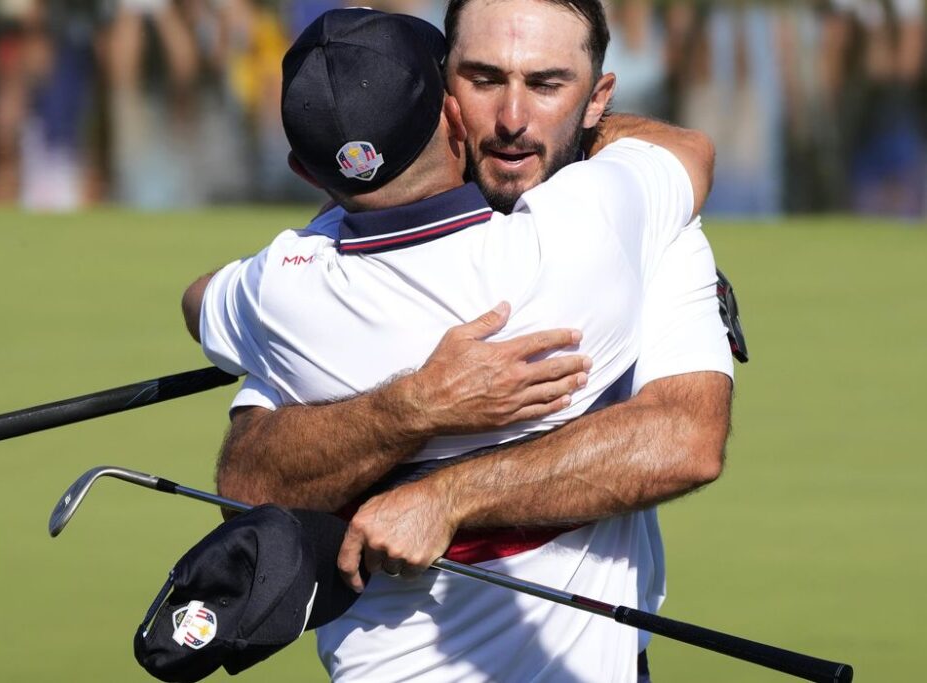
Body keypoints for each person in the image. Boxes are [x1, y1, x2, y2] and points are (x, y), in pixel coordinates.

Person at [187, 6, 724, 681]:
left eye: (546, 84)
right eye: (484, 79)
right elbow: (689, 150)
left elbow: (202, 303)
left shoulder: (281, 286)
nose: (511, 119)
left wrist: (437, 483)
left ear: (302, 168)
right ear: (448, 105)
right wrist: (416, 409)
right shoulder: (605, 217)